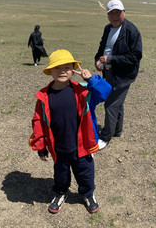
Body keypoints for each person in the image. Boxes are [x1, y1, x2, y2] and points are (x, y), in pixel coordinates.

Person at [29, 49, 112, 214]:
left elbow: (105, 92)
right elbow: (38, 121)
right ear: (50, 71)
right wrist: (41, 146)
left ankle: (88, 194)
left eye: (67, 67)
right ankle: (60, 192)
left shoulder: (84, 91)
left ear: (73, 70)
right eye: (57, 68)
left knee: (85, 173)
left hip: (82, 145)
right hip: (58, 146)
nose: (62, 71)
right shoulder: (44, 96)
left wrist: (91, 79)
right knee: (61, 174)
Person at [95, 0, 142, 150]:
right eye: (111, 13)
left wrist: (111, 59)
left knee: (111, 104)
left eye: (118, 12)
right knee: (117, 103)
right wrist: (98, 60)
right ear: (108, 15)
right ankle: (117, 130)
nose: (115, 16)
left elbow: (135, 56)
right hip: (109, 72)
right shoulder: (108, 28)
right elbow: (102, 46)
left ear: (124, 12)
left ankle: (105, 136)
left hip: (123, 76)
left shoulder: (131, 31)